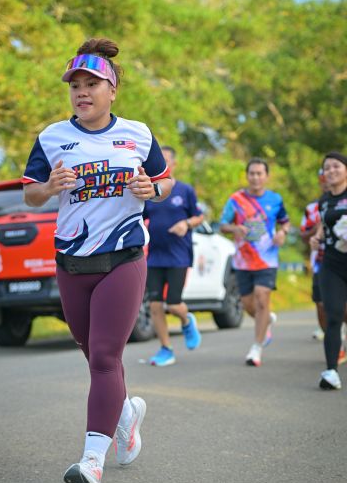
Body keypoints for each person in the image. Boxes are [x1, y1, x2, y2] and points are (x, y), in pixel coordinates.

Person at [22, 38, 172, 483]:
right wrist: (49, 187)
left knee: (106, 357)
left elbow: (165, 181)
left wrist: (152, 190)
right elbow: (30, 194)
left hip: (124, 257)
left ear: (112, 90)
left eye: (91, 84)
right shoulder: (52, 137)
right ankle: (125, 414)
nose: (82, 93)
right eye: (76, 86)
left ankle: (92, 462)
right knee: (94, 356)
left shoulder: (138, 134)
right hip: (72, 262)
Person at [219, 158, 290, 367]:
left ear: (266, 176)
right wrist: (235, 228)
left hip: (267, 258)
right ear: (247, 175)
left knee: (262, 297)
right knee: (249, 305)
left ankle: (256, 348)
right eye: (252, 173)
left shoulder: (275, 199)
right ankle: (266, 319)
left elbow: (285, 222)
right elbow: (222, 225)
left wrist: (282, 233)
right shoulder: (236, 199)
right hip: (243, 260)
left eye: (260, 173)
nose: (255, 177)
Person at [144, 146, 204, 366]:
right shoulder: (149, 193)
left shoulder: (185, 190)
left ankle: (186, 320)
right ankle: (166, 349)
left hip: (178, 255)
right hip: (155, 255)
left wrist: (185, 224)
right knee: (155, 305)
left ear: (174, 164)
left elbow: (199, 217)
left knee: (173, 304)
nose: (162, 163)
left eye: (166, 160)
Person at [300, 170, 346, 364]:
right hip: (323, 263)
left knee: (340, 308)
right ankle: (335, 352)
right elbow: (307, 234)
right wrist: (316, 235)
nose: (327, 180)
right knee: (324, 306)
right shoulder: (318, 205)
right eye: (324, 177)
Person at [310, 152, 347, 390]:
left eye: (336, 166)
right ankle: (331, 371)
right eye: (327, 168)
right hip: (332, 264)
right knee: (333, 315)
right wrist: (317, 238)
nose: (331, 171)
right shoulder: (323, 201)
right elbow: (324, 226)